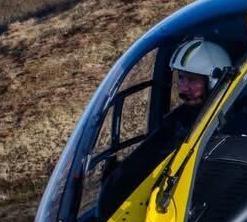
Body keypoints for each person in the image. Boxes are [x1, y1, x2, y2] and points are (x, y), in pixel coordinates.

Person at [99, 37, 231, 211]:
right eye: (181, 78)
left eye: (192, 80)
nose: (183, 88)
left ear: (216, 81)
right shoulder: (176, 121)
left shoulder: (234, 127)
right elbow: (148, 158)